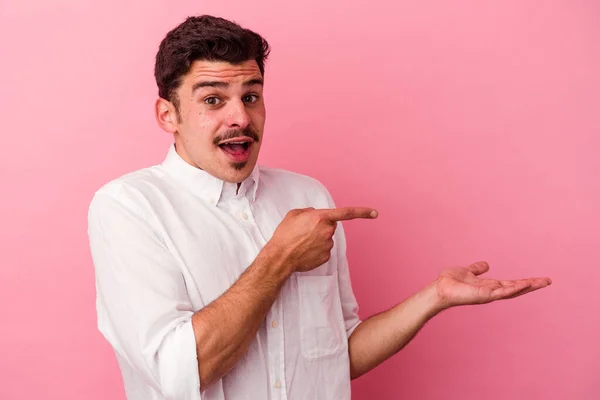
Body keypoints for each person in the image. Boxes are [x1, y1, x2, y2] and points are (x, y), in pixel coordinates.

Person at [87, 15, 552, 400]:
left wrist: (433, 298)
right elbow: (179, 373)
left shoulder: (307, 198)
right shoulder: (128, 208)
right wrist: (280, 258)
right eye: (213, 99)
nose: (241, 118)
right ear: (167, 115)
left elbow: (336, 355)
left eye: (251, 96)